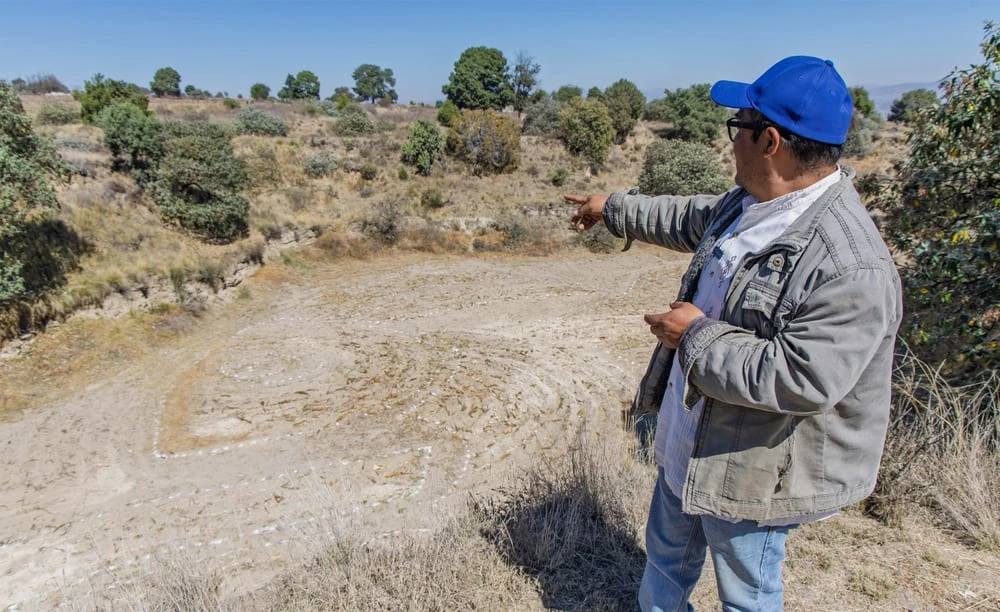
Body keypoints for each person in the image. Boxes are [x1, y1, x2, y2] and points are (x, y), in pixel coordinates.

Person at [566, 56, 903, 611]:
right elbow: (687, 217)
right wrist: (615, 209)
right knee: (664, 562)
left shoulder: (850, 265)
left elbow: (802, 377)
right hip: (690, 440)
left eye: (738, 127)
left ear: (769, 140)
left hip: (756, 473)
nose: (732, 142)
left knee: (747, 594)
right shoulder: (752, 205)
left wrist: (695, 336)